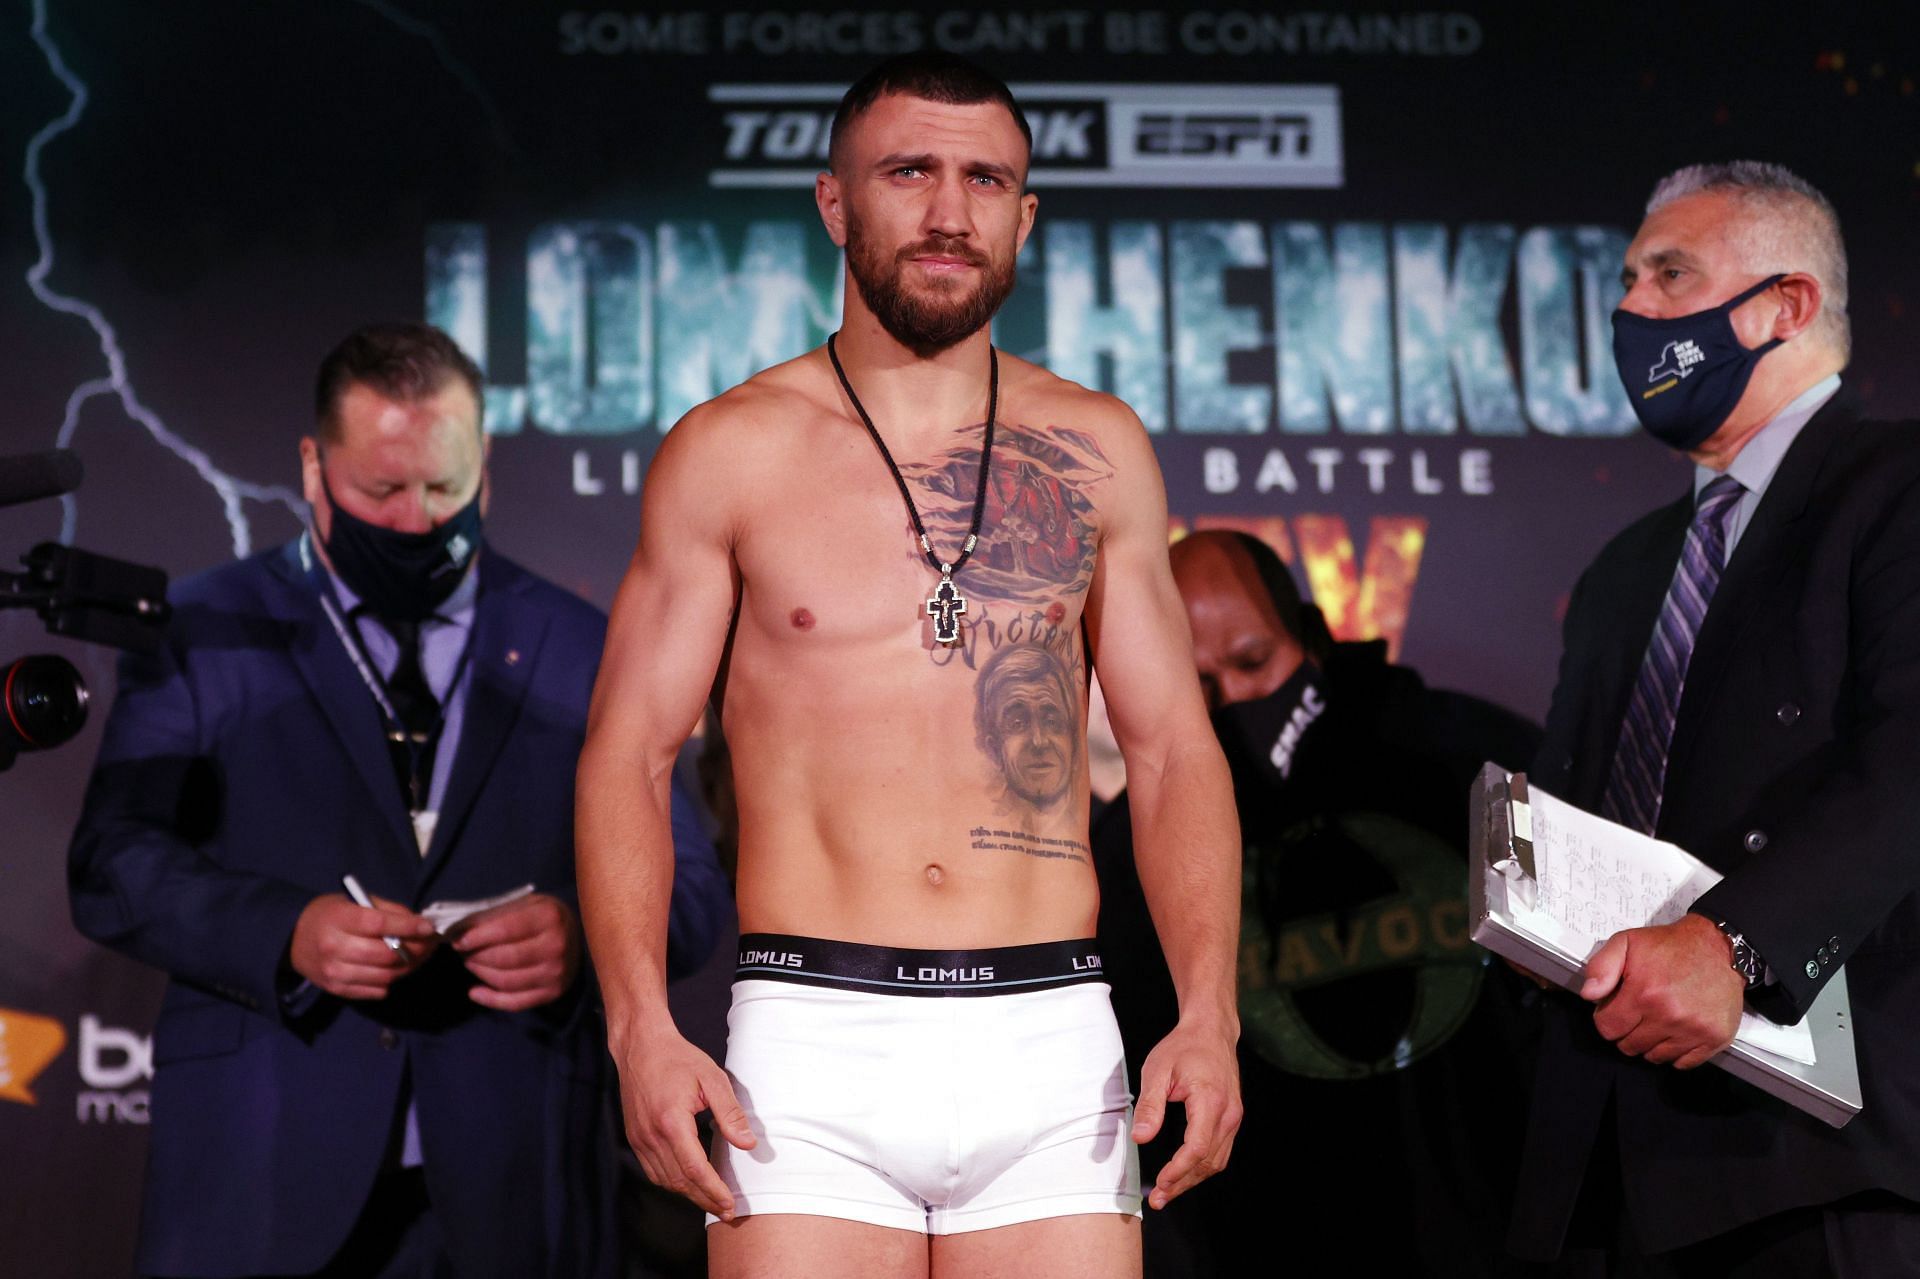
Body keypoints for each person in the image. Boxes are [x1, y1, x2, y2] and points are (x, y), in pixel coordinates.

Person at [576, 53, 1244, 1279]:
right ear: (836, 202)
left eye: (985, 178)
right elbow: (630, 749)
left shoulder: (1098, 448)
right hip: (811, 1043)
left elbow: (1169, 749)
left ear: (1024, 214)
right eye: (910, 172)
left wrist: (1209, 1013)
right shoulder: (730, 451)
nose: (949, 212)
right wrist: (638, 1030)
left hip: (1054, 1047)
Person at [68, 322, 729, 1279]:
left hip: (517, 1177)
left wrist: (587, 932)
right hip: (261, 1167)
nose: (418, 522)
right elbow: (111, 861)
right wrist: (287, 930)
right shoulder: (205, 629)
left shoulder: (585, 642)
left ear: (484, 466)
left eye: (443, 488)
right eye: (382, 490)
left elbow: (696, 884)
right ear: (312, 466)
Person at [1511, 162, 1920, 1275]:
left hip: (1817, 1146)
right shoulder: (1623, 570)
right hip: (1604, 1160)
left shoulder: (1896, 489)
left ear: (1784, 306)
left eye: (1670, 274)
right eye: (1629, 280)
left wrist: (1737, 944)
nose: (1632, 310)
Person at [1094, 528, 1544, 1276]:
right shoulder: (1127, 849)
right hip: (1253, 1239)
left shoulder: (1473, 756)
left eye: (1252, 661)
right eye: (1196, 682)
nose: (1234, 698)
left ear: (1307, 633)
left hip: (1496, 1223)